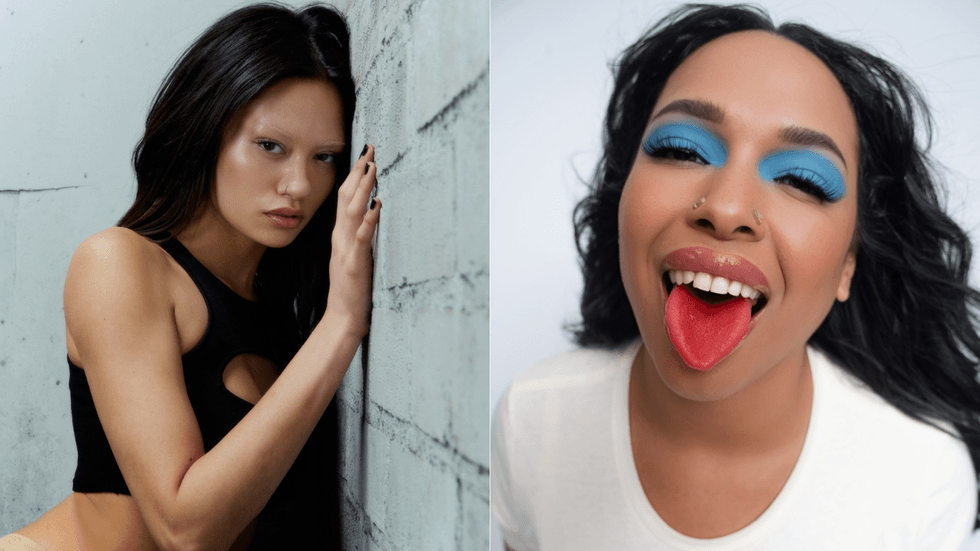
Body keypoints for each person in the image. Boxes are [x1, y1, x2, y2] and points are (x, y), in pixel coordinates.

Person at [492, 4, 980, 549]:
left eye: (801, 179)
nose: (726, 207)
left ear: (849, 263)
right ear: (622, 199)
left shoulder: (924, 480)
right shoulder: (532, 421)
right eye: (680, 149)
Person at [0, 3, 379, 550]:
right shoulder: (119, 264)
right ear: (206, 129)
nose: (298, 184)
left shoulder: (281, 304)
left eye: (324, 158)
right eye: (270, 147)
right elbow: (186, 529)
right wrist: (343, 323)